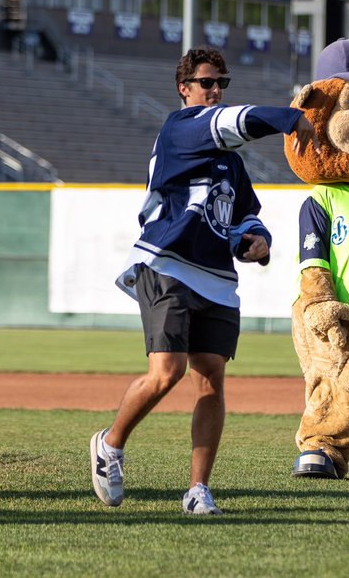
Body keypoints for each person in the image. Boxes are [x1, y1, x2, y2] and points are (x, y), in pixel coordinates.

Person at [90, 46, 315, 515]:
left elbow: (245, 214)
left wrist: (259, 240)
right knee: (167, 372)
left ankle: (197, 490)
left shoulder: (230, 161)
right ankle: (110, 445)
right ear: (184, 88)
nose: (215, 90)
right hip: (167, 263)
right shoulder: (180, 128)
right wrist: (290, 118)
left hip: (215, 277)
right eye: (207, 82)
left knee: (211, 379)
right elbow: (237, 121)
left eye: (221, 83)